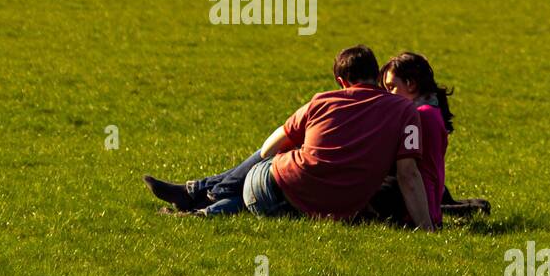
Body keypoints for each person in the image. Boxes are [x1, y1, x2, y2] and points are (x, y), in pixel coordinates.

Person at [143, 46, 436, 230]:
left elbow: (270, 147)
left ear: (341, 82)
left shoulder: (324, 100)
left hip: (271, 187)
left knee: (274, 166)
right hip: (328, 209)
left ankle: (202, 193)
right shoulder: (404, 112)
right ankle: (203, 205)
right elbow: (408, 175)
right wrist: (427, 228)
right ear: (377, 76)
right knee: (275, 199)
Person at [359, 53, 453, 229]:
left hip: (413, 211)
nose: (388, 94)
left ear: (411, 84)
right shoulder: (431, 110)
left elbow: (418, 173)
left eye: (392, 87)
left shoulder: (420, 116)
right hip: (428, 208)